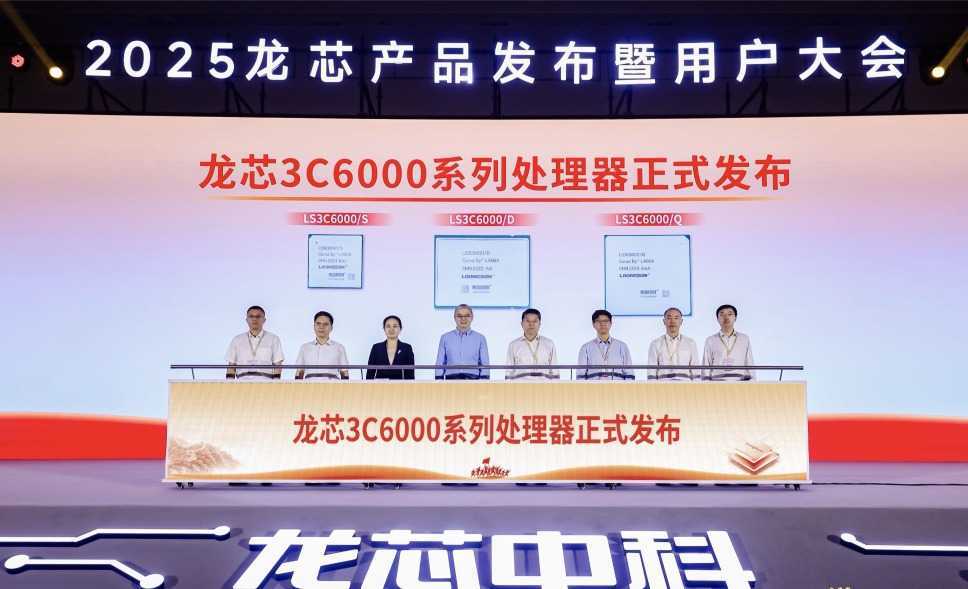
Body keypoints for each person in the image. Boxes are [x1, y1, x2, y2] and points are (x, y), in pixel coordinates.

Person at [225, 305, 284, 380]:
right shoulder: (237, 340)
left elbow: (278, 364)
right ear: (247, 320)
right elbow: (231, 365)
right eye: (251, 316)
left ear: (264, 320)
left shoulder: (273, 339)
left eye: (258, 316)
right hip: (242, 383)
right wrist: (229, 383)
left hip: (266, 382)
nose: (254, 319)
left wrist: (275, 383)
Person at [435, 304, 489, 380]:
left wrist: (484, 383)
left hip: (473, 381)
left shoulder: (480, 338)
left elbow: (485, 365)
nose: (463, 319)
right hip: (451, 381)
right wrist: (438, 382)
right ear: (454, 318)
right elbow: (439, 364)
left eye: (467, 316)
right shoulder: (445, 338)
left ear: (472, 317)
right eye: (459, 316)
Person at [577, 309, 634, 380]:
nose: (602, 324)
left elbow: (629, 374)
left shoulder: (622, 346)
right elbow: (580, 375)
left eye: (605, 321)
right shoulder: (585, 348)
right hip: (594, 386)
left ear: (611, 323)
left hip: (617, 386)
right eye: (598, 321)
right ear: (593, 324)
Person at [702, 304, 755, 381]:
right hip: (717, 383)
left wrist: (752, 382)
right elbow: (706, 366)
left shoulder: (744, 339)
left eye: (730, 314)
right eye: (722, 314)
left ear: (735, 318)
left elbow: (750, 364)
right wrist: (705, 384)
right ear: (717, 319)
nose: (726, 317)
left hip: (740, 383)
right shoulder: (710, 340)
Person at [505, 308, 559, 381]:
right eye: (528, 321)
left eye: (535, 321)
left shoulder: (549, 344)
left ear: (539, 324)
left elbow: (555, 372)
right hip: (520, 386)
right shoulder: (513, 345)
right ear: (522, 324)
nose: (531, 324)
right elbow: (508, 373)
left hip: (544, 386)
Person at [647, 307, 699, 381]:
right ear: (664, 321)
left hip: (685, 385)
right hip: (662, 385)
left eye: (676, 318)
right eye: (669, 318)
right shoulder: (655, 344)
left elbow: (696, 370)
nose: (672, 321)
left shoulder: (690, 343)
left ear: (681, 321)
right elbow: (651, 371)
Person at [296, 311, 349, 380]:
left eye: (325, 324)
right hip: (309, 385)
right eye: (318, 324)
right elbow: (299, 372)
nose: (321, 327)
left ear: (331, 328)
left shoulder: (339, 348)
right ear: (314, 326)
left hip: (332, 385)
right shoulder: (305, 347)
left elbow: (344, 373)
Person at [366, 315, 415, 380]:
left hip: (400, 385)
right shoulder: (376, 348)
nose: (391, 329)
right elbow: (370, 373)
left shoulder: (407, 348)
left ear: (400, 329)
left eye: (395, 326)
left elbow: (410, 374)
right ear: (384, 329)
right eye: (388, 326)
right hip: (379, 385)